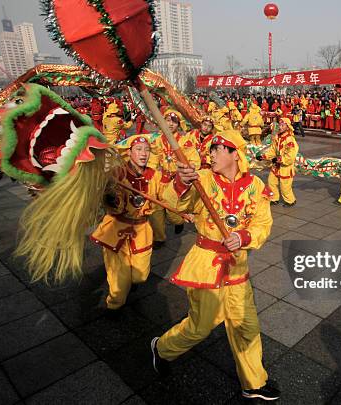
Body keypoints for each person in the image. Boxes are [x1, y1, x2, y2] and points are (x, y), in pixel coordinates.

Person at [150, 129, 280, 401]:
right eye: (210, 150)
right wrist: (181, 183)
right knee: (200, 326)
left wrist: (244, 237)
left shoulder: (256, 186)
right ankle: (161, 348)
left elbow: (262, 224)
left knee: (246, 326)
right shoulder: (204, 179)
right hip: (206, 265)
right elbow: (174, 204)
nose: (211, 154)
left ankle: (253, 383)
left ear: (235, 154)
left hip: (237, 266)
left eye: (218, 149)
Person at [90, 135, 162, 311]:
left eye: (146, 150)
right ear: (129, 152)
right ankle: (114, 305)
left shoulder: (155, 175)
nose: (143, 154)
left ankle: (130, 283)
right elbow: (109, 203)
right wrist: (109, 192)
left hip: (142, 230)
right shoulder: (117, 174)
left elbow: (167, 197)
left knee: (141, 276)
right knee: (119, 281)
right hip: (116, 229)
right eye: (138, 149)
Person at [148, 109, 200, 246]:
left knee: (174, 212)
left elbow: (193, 159)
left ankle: (179, 221)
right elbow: (153, 158)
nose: (170, 124)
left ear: (179, 124)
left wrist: (188, 169)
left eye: (174, 121)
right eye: (167, 120)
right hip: (161, 178)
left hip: (176, 181)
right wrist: (151, 172)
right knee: (156, 208)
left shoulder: (184, 141)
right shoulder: (158, 140)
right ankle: (159, 238)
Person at [256, 117, 299, 207]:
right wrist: (264, 156)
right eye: (280, 125)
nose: (280, 127)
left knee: (285, 186)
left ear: (287, 127)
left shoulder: (290, 140)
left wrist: (281, 159)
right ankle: (274, 199)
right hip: (276, 166)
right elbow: (272, 150)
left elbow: (291, 155)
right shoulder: (277, 137)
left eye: (282, 125)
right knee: (271, 181)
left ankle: (290, 201)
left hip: (285, 167)